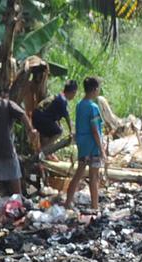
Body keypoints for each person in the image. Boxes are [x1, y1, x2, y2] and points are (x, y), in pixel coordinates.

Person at [0, 89, 37, 195]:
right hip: (4, 146)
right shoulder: (8, 104)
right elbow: (22, 114)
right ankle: (18, 197)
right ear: (4, 95)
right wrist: (30, 130)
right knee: (14, 173)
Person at [64, 77, 107, 213]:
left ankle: (67, 203)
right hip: (93, 146)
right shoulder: (93, 107)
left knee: (78, 174)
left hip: (83, 145)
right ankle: (95, 207)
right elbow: (95, 129)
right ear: (94, 90)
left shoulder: (79, 105)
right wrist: (101, 149)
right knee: (94, 177)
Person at [33, 79, 77, 153]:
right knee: (58, 132)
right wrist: (71, 130)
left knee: (47, 135)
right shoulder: (63, 100)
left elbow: (54, 115)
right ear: (73, 92)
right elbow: (67, 117)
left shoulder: (59, 96)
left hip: (37, 116)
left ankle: (42, 154)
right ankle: (42, 152)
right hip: (42, 118)